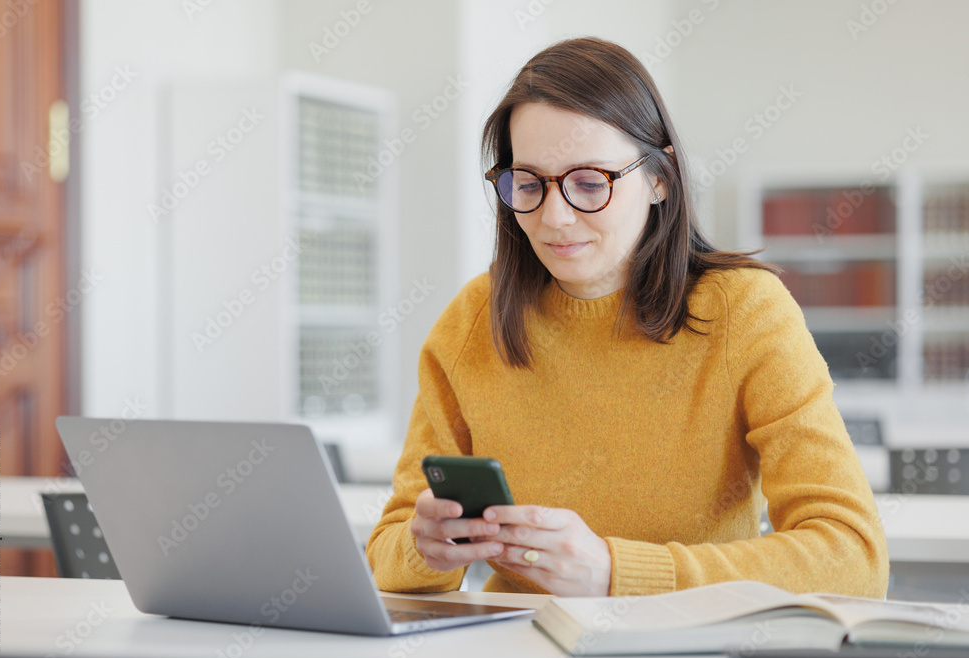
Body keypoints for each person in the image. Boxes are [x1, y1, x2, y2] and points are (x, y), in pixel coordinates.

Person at [365, 37, 888, 598]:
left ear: (659, 177)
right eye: (529, 184)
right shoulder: (473, 319)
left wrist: (617, 573)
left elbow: (852, 559)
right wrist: (425, 548)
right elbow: (387, 557)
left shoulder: (746, 311)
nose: (556, 217)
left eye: (590, 183)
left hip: (687, 649)